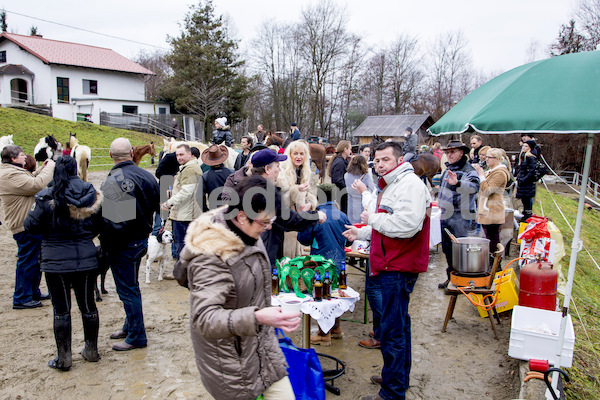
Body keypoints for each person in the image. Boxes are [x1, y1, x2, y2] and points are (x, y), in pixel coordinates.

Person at [173, 175, 301, 400]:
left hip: (261, 347)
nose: (268, 227)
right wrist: (258, 317)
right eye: (264, 222)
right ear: (241, 217)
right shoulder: (211, 256)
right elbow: (204, 318)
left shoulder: (247, 229)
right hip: (230, 363)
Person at [343, 141, 431, 400]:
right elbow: (388, 223)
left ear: (399, 160)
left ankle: (392, 393)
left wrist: (373, 220)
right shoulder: (392, 184)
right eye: (377, 160)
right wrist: (362, 231)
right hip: (391, 261)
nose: (380, 164)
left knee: (393, 330)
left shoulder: (410, 185)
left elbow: (407, 225)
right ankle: (396, 377)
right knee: (399, 325)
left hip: (399, 265)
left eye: (386, 160)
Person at [24, 156, 103, 370]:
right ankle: (91, 350)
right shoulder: (90, 193)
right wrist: (87, 236)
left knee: (61, 310)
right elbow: (101, 222)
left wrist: (49, 233)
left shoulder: (46, 196)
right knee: (88, 306)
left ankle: (64, 357)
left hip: (55, 258)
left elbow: (30, 225)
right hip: (85, 256)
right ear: (75, 169)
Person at [100, 138, 160, 351]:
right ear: (132, 152)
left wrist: (105, 244)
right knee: (131, 287)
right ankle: (130, 326)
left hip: (124, 243)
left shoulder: (115, 179)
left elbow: (116, 221)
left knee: (127, 290)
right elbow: (156, 206)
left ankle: (137, 335)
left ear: (110, 155)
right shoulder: (147, 176)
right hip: (141, 238)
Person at [0, 145, 55, 309]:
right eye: (22, 155)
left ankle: (32, 291)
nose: (25, 157)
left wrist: (41, 169)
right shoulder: (9, 175)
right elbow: (36, 185)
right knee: (27, 261)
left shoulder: (13, 172)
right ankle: (22, 297)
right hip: (24, 225)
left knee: (35, 260)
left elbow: (30, 179)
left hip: (29, 224)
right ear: (13, 158)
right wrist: (50, 167)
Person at [250, 148, 325, 266]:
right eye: (277, 166)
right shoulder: (266, 191)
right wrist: (315, 216)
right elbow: (286, 218)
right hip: (263, 251)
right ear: (267, 169)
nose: (279, 170)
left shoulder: (248, 185)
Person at [298, 183, 350, 346]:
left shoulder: (315, 215)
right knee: (336, 294)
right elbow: (349, 237)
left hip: (320, 263)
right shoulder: (341, 215)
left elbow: (303, 238)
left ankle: (323, 333)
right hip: (339, 261)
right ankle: (336, 329)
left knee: (321, 296)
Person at [437, 140, 480, 289]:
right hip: (445, 214)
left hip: (460, 216)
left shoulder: (468, 170)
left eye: (452, 152)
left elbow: (474, 187)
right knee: (447, 249)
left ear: (461, 153)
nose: (449, 155)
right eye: (447, 152)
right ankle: (451, 278)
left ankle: (462, 281)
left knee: (460, 250)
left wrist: (458, 183)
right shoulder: (448, 169)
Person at [277, 140, 318, 258]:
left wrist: (310, 204)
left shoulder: (306, 171)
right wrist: (296, 190)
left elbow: (311, 192)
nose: (298, 157)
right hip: (286, 217)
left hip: (300, 215)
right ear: (290, 155)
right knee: (287, 250)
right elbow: (283, 198)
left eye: (301, 153)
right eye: (295, 153)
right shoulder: (282, 172)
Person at [162, 144, 203, 262]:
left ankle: (184, 277)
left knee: (183, 248)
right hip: (184, 213)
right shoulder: (188, 167)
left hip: (184, 215)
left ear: (190, 154)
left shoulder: (190, 169)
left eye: (181, 154)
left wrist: (169, 202)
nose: (179, 158)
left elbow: (187, 192)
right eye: (177, 155)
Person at [473, 148, 510, 261]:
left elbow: (488, 190)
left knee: (493, 241)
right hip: (488, 210)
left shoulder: (500, 173)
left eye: (490, 157)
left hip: (493, 211)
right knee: (490, 239)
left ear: (498, 159)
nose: (486, 159)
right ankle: (492, 264)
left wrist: (480, 175)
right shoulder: (493, 171)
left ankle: (495, 266)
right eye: (486, 156)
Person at [200, 144, 233, 211]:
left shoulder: (205, 176)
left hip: (214, 209)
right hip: (231, 208)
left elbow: (200, 195)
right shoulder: (232, 173)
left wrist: (205, 210)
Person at [344, 155, 375, 224]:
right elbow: (372, 189)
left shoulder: (346, 175)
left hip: (351, 203)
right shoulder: (366, 176)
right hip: (362, 203)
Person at [514, 140, 538, 222]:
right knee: (523, 200)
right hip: (522, 182)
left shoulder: (531, 158)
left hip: (527, 183)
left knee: (527, 200)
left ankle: (527, 216)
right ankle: (525, 215)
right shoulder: (523, 156)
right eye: (523, 146)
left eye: (526, 146)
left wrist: (524, 179)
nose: (523, 148)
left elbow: (532, 171)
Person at [327, 140, 352, 214]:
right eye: (349, 149)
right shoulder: (339, 163)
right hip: (340, 195)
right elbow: (338, 180)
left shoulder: (342, 161)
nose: (350, 151)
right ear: (345, 149)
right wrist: (348, 188)